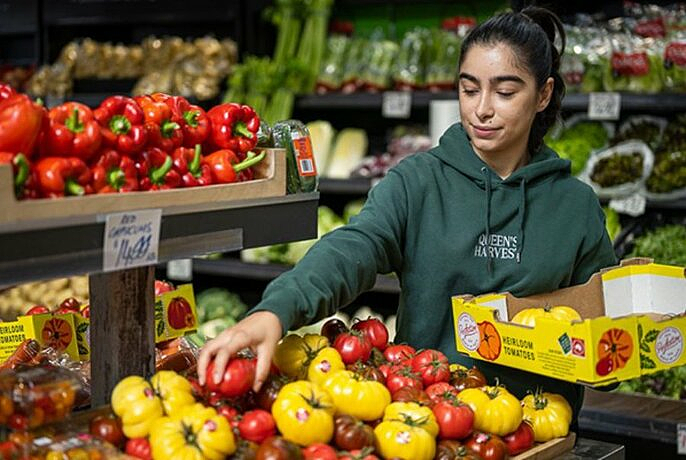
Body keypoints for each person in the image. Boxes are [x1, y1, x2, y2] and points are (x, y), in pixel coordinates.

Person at [198, 6, 617, 422]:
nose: (482, 109)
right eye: (469, 90)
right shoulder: (418, 182)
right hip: (428, 424)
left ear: (543, 94)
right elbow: (355, 246)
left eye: (505, 92)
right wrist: (277, 308)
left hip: (537, 433)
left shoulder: (575, 206)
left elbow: (606, 324)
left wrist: (616, 353)